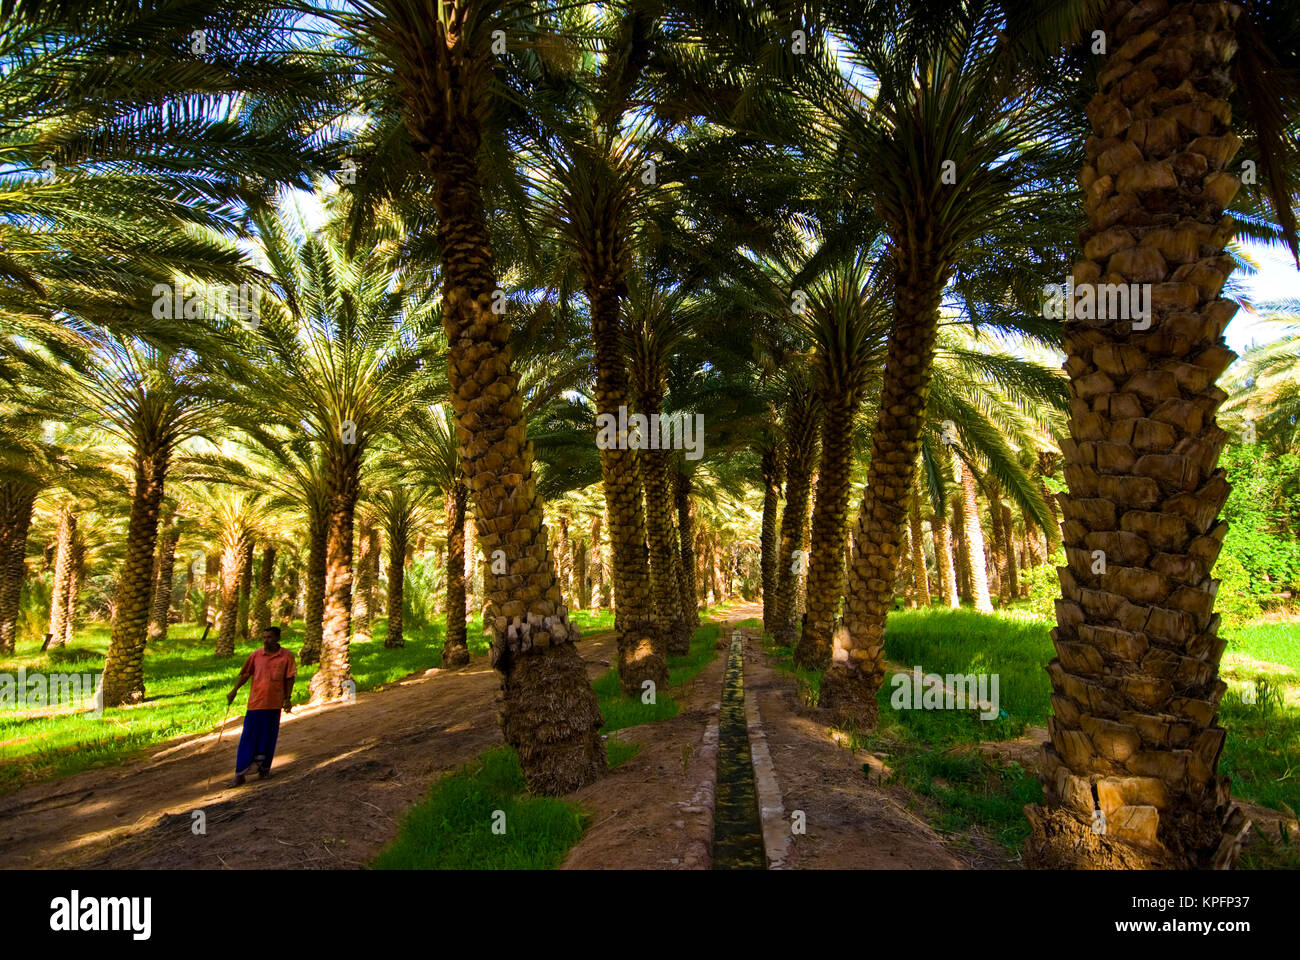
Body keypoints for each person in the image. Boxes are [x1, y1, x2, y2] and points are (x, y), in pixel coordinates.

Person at [227, 625, 297, 786]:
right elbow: (245, 674)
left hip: (274, 703)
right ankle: (240, 773)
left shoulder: (286, 657)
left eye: (270, 637)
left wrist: (287, 698)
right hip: (255, 704)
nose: (266, 641)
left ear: (277, 638)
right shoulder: (256, 656)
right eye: (264, 638)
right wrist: (234, 690)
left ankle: (264, 769)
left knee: (269, 737)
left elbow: (289, 678)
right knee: (248, 737)